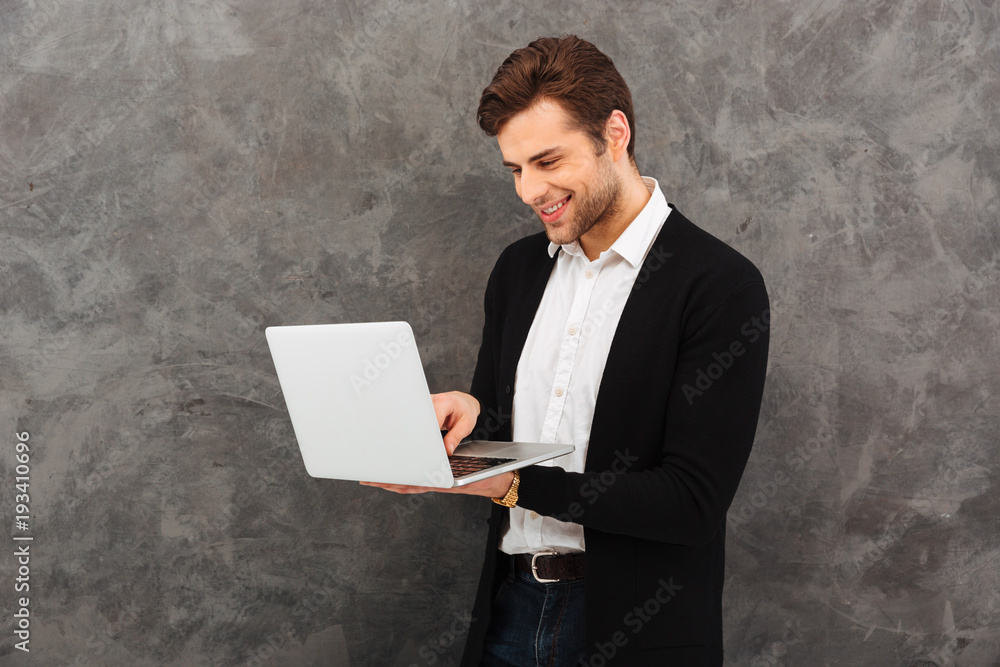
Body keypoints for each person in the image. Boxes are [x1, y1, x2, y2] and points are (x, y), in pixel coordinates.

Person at [363, 35, 769, 666]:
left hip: (636, 631)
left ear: (615, 134)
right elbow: (504, 441)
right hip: (509, 614)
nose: (529, 190)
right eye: (515, 169)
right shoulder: (518, 270)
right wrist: (467, 417)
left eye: (547, 161)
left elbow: (690, 503)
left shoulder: (717, 284)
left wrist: (510, 485)